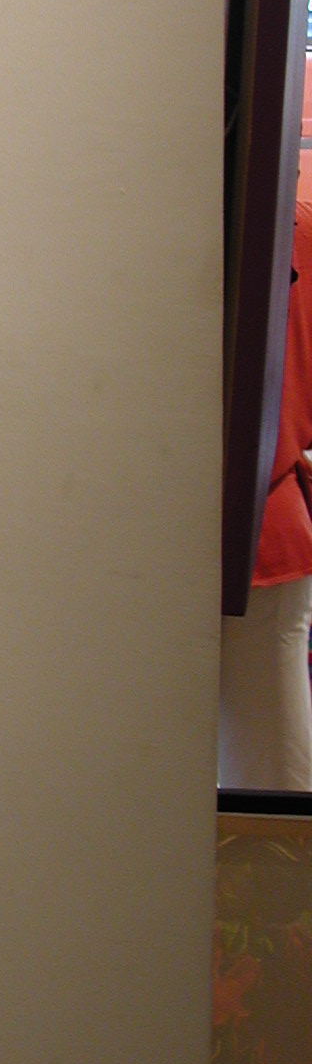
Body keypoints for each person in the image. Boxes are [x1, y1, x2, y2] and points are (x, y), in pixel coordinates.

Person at [221, 199, 312, 789]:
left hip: (259, 531)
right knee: (269, 785)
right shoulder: (294, 222)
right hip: (267, 525)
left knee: (269, 791)